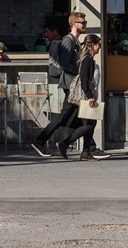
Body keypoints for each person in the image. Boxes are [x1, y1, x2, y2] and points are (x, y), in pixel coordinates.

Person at [31, 12, 109, 159]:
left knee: (83, 118)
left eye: (85, 23)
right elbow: (65, 64)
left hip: (74, 84)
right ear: (74, 24)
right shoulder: (68, 41)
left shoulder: (76, 41)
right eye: (82, 23)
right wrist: (81, 72)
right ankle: (41, 140)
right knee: (68, 117)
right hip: (71, 84)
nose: (85, 25)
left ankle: (88, 149)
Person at [57, 34, 104, 161]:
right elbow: (84, 80)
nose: (100, 47)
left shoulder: (89, 59)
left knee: (91, 124)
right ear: (93, 45)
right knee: (89, 125)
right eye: (99, 44)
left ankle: (86, 152)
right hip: (85, 97)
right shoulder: (87, 60)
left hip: (88, 96)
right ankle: (65, 143)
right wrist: (89, 96)